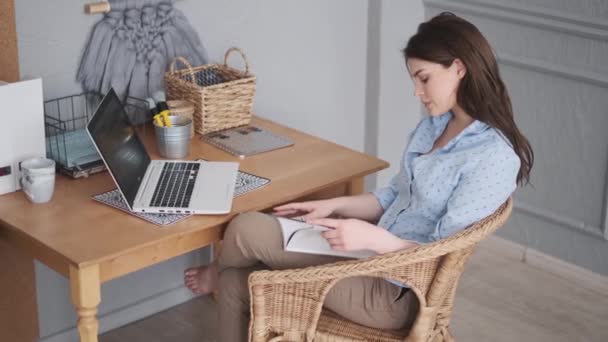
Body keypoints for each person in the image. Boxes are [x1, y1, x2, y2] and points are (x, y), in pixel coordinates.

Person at [184, 12, 534, 341]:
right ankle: (221, 276)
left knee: (245, 230)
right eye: (414, 80)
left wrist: (373, 239)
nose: (417, 92)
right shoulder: (436, 126)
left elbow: (440, 253)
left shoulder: (492, 157)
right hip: (367, 254)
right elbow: (394, 196)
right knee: (233, 283)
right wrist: (332, 207)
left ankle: (216, 273)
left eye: (424, 78)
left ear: (459, 68)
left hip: (395, 291)